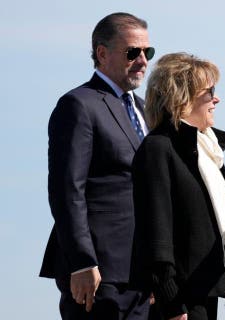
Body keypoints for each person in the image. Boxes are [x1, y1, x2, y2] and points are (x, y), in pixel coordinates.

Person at [129, 52, 225, 320]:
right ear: (182, 97)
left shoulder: (206, 149)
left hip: (204, 292)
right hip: (179, 303)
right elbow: (156, 234)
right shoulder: (158, 148)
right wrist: (172, 304)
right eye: (209, 90)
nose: (217, 98)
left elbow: (199, 223)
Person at [40, 12, 154, 319]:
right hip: (98, 274)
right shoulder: (79, 105)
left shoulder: (145, 111)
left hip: (140, 274)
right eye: (133, 52)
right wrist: (82, 261)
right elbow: (67, 190)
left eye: (148, 52)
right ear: (102, 53)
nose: (143, 60)